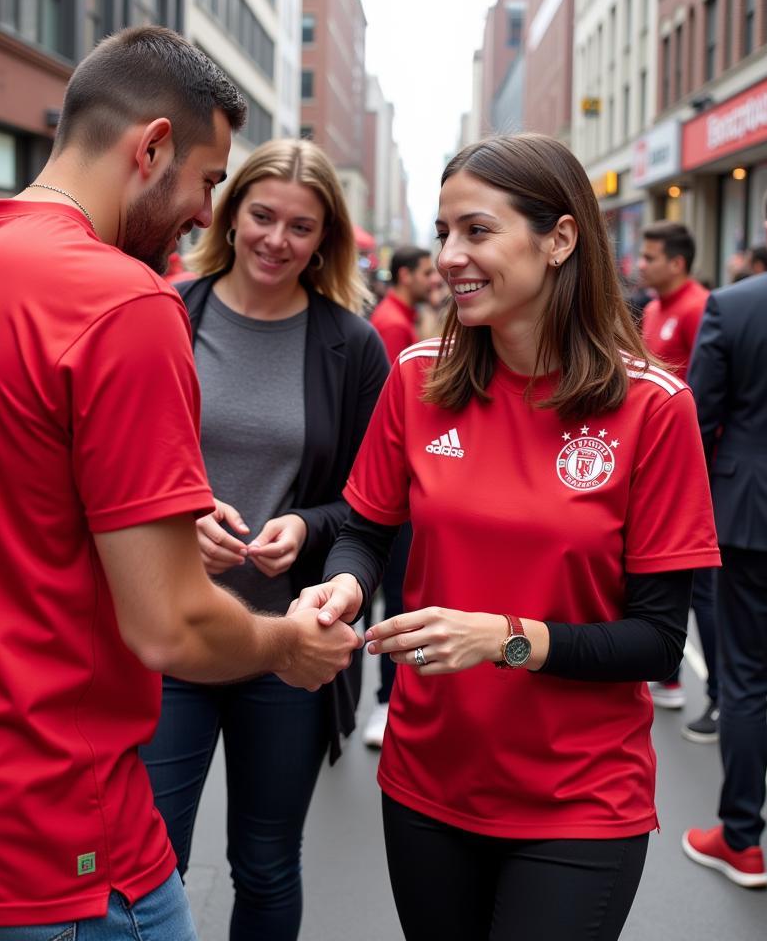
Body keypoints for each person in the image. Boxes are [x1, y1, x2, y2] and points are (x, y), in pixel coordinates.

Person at [0, 26, 360, 941]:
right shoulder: (123, 302)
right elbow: (168, 623)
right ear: (151, 146)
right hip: (48, 824)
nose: (207, 213)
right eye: (208, 181)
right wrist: (286, 645)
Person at [295, 134, 720, 941]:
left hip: (579, 799)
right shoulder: (418, 379)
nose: (450, 255)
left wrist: (506, 639)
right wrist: (347, 585)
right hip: (427, 783)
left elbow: (659, 641)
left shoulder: (654, 408)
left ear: (560, 239)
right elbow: (365, 532)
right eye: (444, 231)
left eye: (477, 231)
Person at [141, 138, 388, 941]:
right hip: (171, 633)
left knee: (268, 862)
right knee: (149, 860)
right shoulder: (167, 313)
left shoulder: (353, 347)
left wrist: (306, 525)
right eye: (262, 216)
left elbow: (372, 504)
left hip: (286, 643)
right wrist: (181, 516)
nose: (277, 240)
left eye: (302, 226)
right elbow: (108, 466)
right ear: (230, 213)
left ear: (327, 239)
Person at [683, 172, 767, 905]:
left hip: (754, 520)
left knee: (745, 683)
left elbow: (698, 421)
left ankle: (742, 839)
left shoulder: (732, 305)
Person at [637, 221, 719, 739]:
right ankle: (666, 677)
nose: (640, 265)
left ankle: (717, 693)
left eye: (650, 257)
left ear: (678, 263)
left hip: (691, 466)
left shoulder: (699, 307)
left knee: (699, 587)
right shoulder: (650, 309)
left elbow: (710, 396)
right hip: (647, 466)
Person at [358, 245, 434, 748]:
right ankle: (387, 699)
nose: (437, 275)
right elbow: (391, 415)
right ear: (406, 276)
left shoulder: (404, 319)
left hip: (409, 479)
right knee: (398, 592)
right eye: (427, 270)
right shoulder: (393, 326)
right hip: (402, 482)